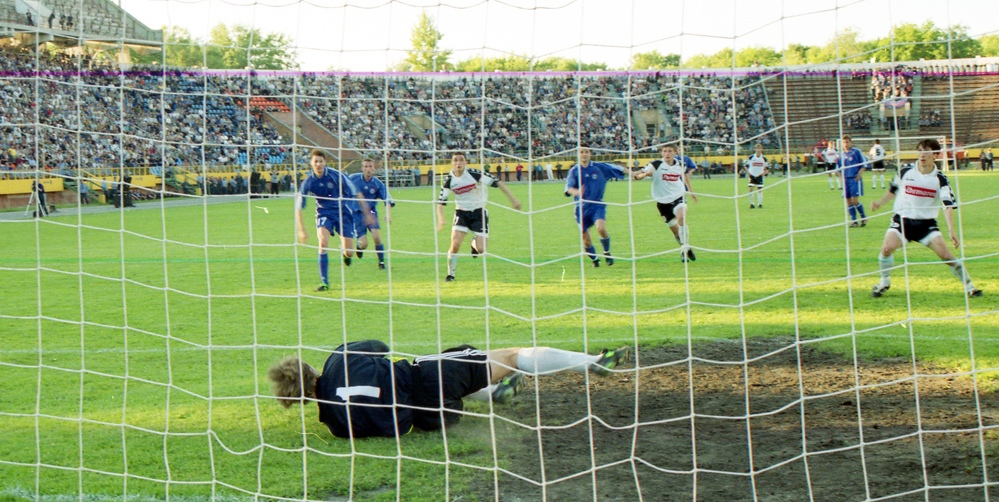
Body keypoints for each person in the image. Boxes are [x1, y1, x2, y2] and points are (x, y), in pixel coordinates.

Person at [268, 339, 632, 439]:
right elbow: (379, 346)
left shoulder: (334, 426)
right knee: (510, 356)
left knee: (453, 367)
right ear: (309, 369)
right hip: (424, 377)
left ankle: (493, 395)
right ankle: (591, 362)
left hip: (431, 419)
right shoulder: (338, 359)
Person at [869, 138, 982, 298]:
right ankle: (884, 282)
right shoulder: (905, 171)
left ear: (936, 155)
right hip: (902, 221)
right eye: (920, 151)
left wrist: (951, 230)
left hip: (926, 225)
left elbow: (947, 204)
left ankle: (970, 286)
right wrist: (879, 203)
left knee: (946, 256)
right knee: (886, 248)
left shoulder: (940, 179)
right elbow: (893, 190)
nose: (922, 154)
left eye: (927, 151)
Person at [436, 152, 520, 282]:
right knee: (455, 244)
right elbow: (440, 202)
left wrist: (513, 200)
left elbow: (498, 183)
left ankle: (473, 244)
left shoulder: (474, 174)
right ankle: (450, 274)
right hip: (461, 213)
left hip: (479, 213)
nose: (458, 163)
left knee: (482, 249)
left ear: (465, 162)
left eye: (461, 160)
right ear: (452, 163)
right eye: (455, 160)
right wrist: (441, 219)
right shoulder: (449, 180)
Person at [296, 149, 373, 291]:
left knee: (349, 252)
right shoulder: (309, 181)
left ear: (325, 162)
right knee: (323, 242)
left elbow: (356, 192)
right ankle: (324, 282)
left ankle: (346, 253)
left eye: (321, 161)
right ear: (311, 163)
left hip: (343, 212)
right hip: (324, 213)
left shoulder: (336, 175)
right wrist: (301, 230)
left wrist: (367, 213)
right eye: (315, 161)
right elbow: (298, 207)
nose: (318, 164)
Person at [564, 146, 627, 267]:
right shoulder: (574, 171)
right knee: (586, 240)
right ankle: (595, 260)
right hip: (581, 208)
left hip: (597, 205)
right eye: (581, 152)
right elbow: (568, 188)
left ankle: (606, 252)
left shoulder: (599, 167)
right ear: (578, 154)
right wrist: (577, 192)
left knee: (601, 228)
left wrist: (633, 173)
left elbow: (618, 168)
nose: (584, 154)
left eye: (586, 152)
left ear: (590, 154)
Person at [633, 144, 697, 262]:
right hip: (662, 202)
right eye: (665, 151)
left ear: (675, 153)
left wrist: (691, 191)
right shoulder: (656, 164)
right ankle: (687, 247)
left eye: (670, 151)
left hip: (678, 196)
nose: (667, 153)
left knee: (681, 217)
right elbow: (643, 173)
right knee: (676, 233)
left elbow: (686, 177)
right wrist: (642, 175)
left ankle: (683, 251)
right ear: (662, 153)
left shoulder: (681, 164)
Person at [349, 158, 394, 270]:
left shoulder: (377, 184)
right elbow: (342, 184)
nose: (368, 169)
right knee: (364, 244)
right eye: (366, 166)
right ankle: (359, 247)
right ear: (362, 168)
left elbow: (388, 199)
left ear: (374, 168)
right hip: (357, 215)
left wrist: (388, 214)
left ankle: (381, 262)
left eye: (370, 166)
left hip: (371, 213)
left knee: (376, 236)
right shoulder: (353, 178)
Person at [838, 135, 868, 227]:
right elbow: (838, 169)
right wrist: (840, 176)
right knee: (848, 201)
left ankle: (863, 217)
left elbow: (864, 165)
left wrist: (859, 174)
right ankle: (854, 222)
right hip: (846, 180)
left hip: (854, 179)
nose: (845, 144)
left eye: (847, 142)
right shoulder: (841, 155)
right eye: (844, 142)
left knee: (855, 200)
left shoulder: (856, 152)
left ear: (851, 142)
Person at [744, 144, 770, 209]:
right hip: (752, 175)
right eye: (757, 148)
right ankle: (752, 203)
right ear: (755, 149)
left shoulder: (764, 158)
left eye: (759, 148)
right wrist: (748, 172)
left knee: (759, 189)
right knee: (751, 189)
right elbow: (745, 164)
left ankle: (759, 204)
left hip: (759, 175)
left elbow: (768, 167)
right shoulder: (751, 157)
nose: (758, 150)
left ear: (761, 149)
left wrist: (764, 173)